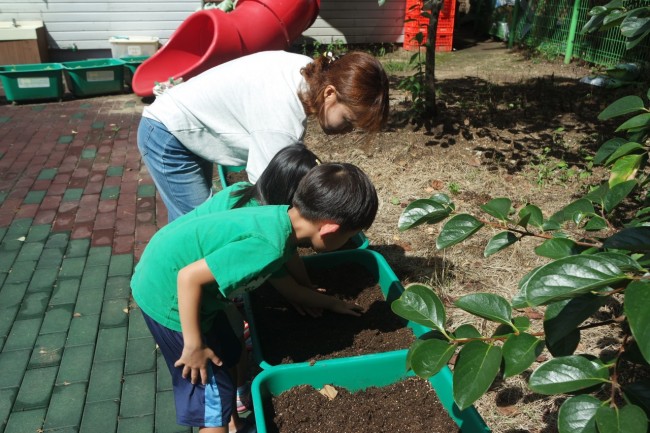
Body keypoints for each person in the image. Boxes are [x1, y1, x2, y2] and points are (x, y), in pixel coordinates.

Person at [130, 162, 379, 433]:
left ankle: (236, 424)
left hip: (175, 280)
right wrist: (194, 346)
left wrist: (334, 304)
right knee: (212, 404)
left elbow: (291, 288)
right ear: (329, 229)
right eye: (349, 236)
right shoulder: (267, 246)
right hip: (169, 299)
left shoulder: (281, 220)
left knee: (230, 352)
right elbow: (188, 278)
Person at [137, 49, 389, 222]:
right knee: (197, 227)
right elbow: (266, 194)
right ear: (330, 93)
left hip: (186, 125)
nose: (347, 131)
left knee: (189, 215)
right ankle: (187, 294)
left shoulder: (306, 72)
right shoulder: (281, 115)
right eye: (347, 120)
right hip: (168, 134)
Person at [174, 144, 322, 421]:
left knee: (233, 344)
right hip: (190, 291)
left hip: (203, 277)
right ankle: (232, 414)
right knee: (218, 370)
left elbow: (290, 261)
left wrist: (307, 286)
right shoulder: (266, 236)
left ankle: (237, 394)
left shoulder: (244, 194)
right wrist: (312, 296)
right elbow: (284, 278)